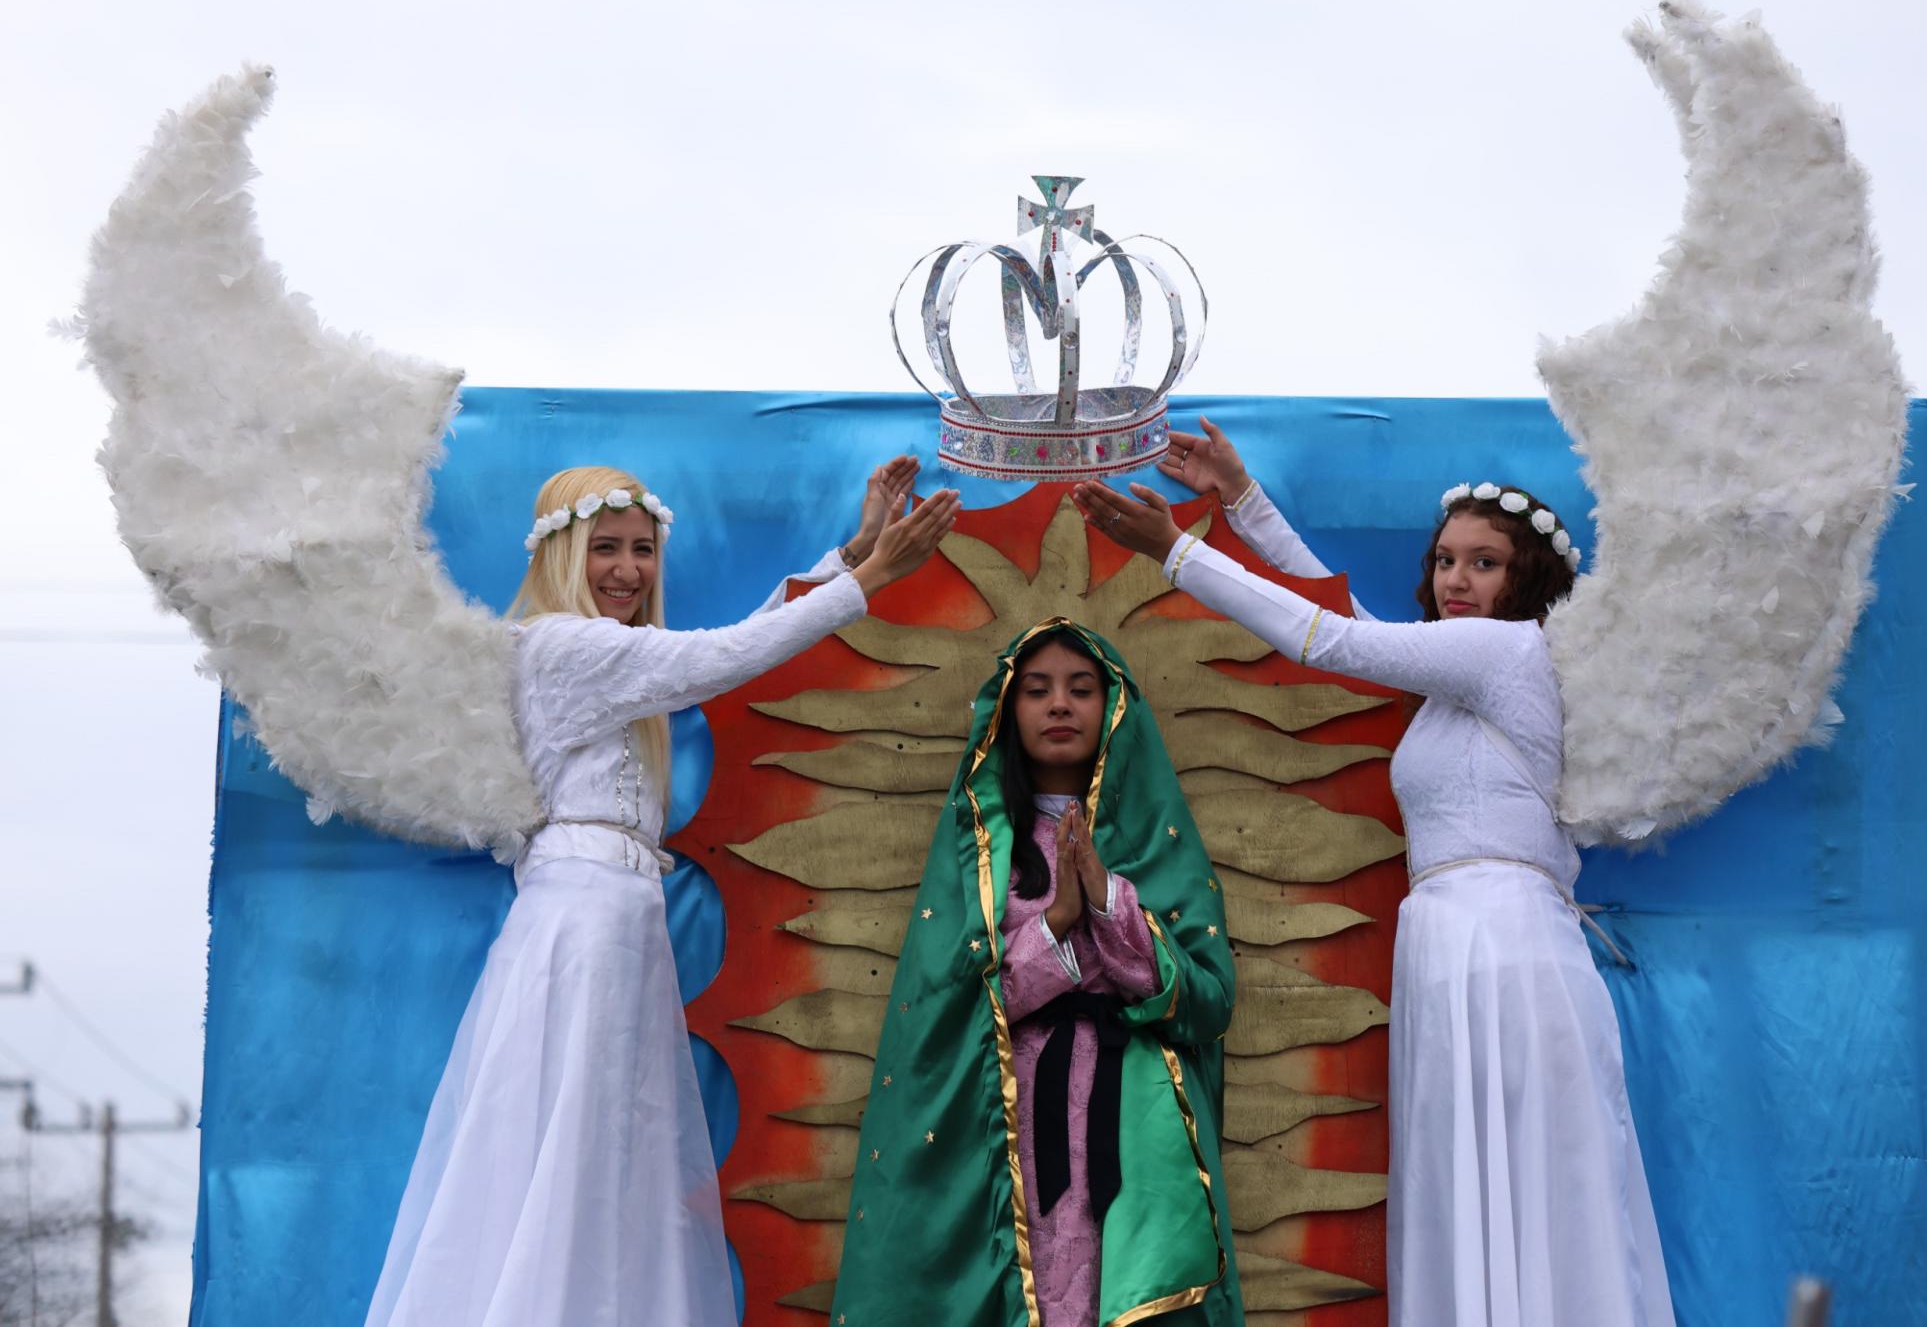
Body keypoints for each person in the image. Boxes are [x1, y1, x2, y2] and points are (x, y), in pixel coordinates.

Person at [1077, 420, 1674, 1327]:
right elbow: (1350, 624)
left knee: (1527, 1188)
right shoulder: (1454, 678)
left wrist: (1177, 551)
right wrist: (1241, 501)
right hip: (1455, 942)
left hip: (1501, 943)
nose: (1456, 579)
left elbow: (1326, 640)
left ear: (1530, 581)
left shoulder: (1506, 652)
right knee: (1469, 1186)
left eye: (1485, 562)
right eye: (1445, 561)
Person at [365, 461, 959, 1327]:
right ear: (563, 553)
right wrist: (869, 581)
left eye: (642, 550)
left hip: (611, 922)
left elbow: (724, 648)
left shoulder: (598, 654)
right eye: (605, 548)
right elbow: (716, 658)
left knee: (608, 1152)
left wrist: (850, 555)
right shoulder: (562, 645)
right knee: (575, 1146)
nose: (627, 569)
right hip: (585, 924)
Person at [832, 619, 1242, 1327]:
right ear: (1008, 711)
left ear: (1111, 709)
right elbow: (953, 1002)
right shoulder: (981, 848)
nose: (1060, 705)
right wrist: (1057, 920)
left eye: (1081, 689)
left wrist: (1110, 901)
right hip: (1010, 1113)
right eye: (1039, 690)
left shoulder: (1154, 842)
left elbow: (1207, 997)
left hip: (1134, 1118)